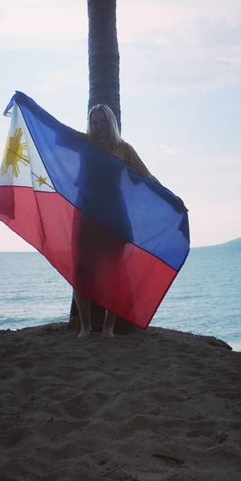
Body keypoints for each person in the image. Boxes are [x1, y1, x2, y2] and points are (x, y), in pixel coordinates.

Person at [73, 103, 151, 339]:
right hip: (86, 213)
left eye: (102, 121)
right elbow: (58, 130)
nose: (98, 127)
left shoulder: (124, 150)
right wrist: (27, 106)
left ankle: (108, 328)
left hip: (115, 215)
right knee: (81, 274)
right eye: (94, 122)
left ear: (111, 122)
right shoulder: (85, 143)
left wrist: (172, 199)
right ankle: (85, 327)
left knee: (115, 274)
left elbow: (146, 177)